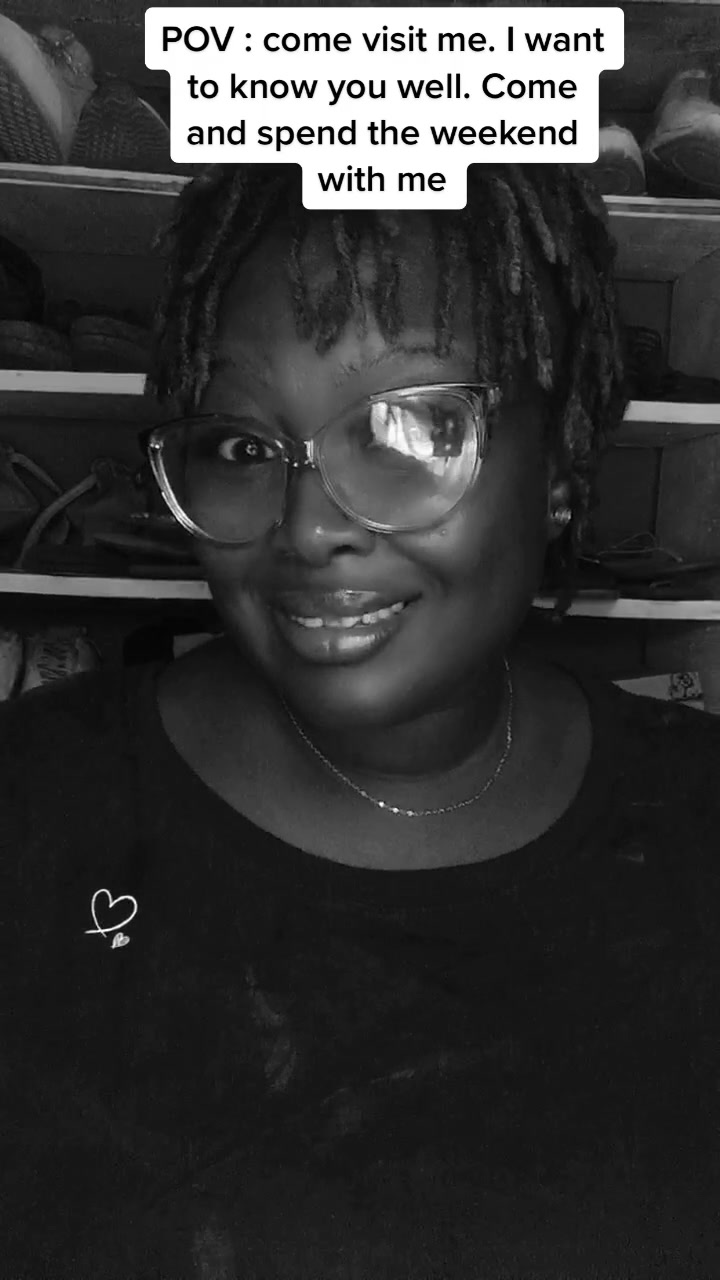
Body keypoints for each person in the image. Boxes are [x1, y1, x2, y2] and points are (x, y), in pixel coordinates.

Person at [2, 162, 720, 1278]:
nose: (306, 526)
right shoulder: (33, 815)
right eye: (242, 445)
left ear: (563, 467)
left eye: (410, 428)